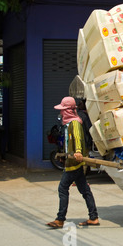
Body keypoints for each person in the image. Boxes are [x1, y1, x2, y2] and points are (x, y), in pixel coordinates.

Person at [46, 96, 100, 229]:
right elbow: (68, 142)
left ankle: (60, 219)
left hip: (75, 162)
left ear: (68, 111)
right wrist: (63, 156)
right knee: (84, 189)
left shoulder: (75, 123)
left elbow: (77, 137)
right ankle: (93, 217)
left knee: (63, 188)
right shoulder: (68, 124)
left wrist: (78, 151)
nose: (61, 113)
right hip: (71, 161)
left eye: (63, 110)